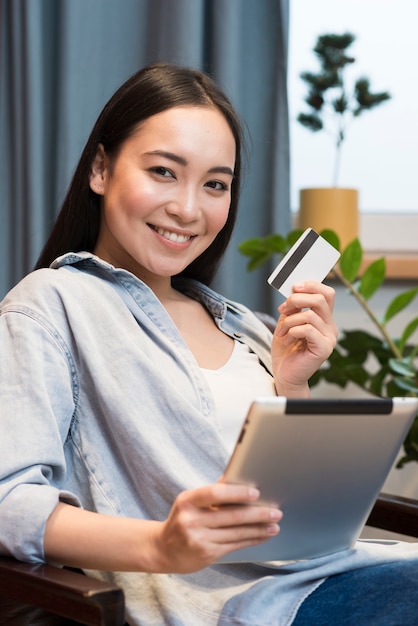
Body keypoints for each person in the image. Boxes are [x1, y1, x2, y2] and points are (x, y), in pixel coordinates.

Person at [0, 62, 417, 626]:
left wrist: (292, 383)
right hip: (236, 606)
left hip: (333, 573)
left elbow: (293, 514)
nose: (189, 209)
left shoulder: (246, 326)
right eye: (164, 172)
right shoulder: (50, 305)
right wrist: (162, 546)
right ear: (101, 168)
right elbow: (9, 504)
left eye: (215, 184)